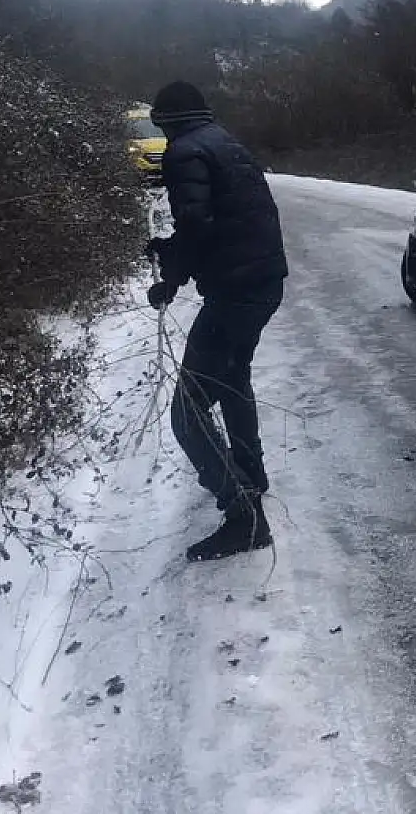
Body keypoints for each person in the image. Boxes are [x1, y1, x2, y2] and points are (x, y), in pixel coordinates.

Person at [144, 80, 288, 562]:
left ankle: (244, 517)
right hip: (263, 282)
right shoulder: (224, 140)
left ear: (166, 121)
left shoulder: (183, 150)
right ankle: (251, 472)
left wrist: (171, 276)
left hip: (236, 290)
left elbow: (198, 225)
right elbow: (221, 220)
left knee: (188, 410)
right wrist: (173, 254)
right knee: (232, 379)